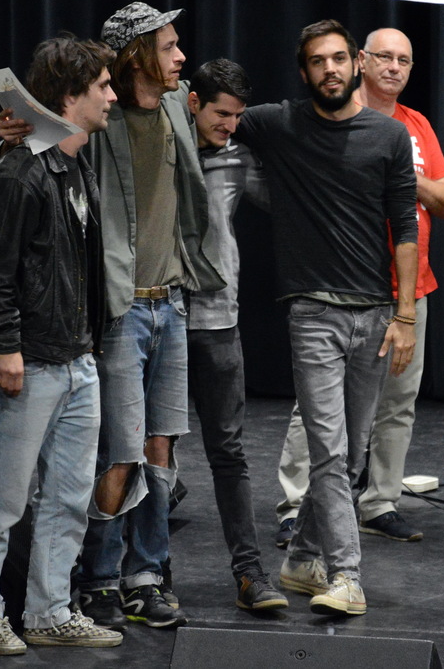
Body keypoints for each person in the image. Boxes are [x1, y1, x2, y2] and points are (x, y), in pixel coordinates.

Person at [0, 2, 222, 629]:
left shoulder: (178, 107)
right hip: (121, 311)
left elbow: (226, 123)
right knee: (119, 454)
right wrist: (13, 130)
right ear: (137, 56)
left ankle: (146, 573)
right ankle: (98, 576)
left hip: (171, 302)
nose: (180, 56)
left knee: (160, 446)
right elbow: (39, 146)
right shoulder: (101, 117)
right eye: (169, 46)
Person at [235, 19, 418, 616]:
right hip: (312, 312)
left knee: (352, 455)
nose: (330, 70)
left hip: (375, 315)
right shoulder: (278, 123)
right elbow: (210, 112)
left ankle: (300, 559)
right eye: (318, 61)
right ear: (304, 71)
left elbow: (406, 227)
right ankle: (346, 575)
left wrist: (406, 315)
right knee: (330, 452)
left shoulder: (388, 135)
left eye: (339, 58)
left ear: (356, 63)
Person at [0, 34, 123, 655]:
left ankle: (50, 611)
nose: (112, 95)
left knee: (68, 499)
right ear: (70, 96)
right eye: (102, 86)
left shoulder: (75, 165)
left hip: (78, 360)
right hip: (31, 364)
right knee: (2, 501)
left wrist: (89, 349)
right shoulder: (19, 172)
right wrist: (6, 346)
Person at [273, 27, 444, 547]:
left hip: (410, 288)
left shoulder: (415, 126)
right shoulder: (333, 117)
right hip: (345, 285)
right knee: (318, 406)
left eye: (405, 60)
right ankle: (296, 506)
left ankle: (379, 502)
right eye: (384, 57)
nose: (394, 67)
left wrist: (396, 166)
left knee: (398, 401)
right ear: (360, 61)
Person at [183, 58, 287, 610]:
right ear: (193, 103)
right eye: (222, 113)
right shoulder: (159, 143)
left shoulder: (238, 155)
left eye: (238, 115)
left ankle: (250, 574)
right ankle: (142, 576)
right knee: (146, 451)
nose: (230, 124)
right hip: (158, 319)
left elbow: (288, 202)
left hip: (219, 320)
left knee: (228, 452)